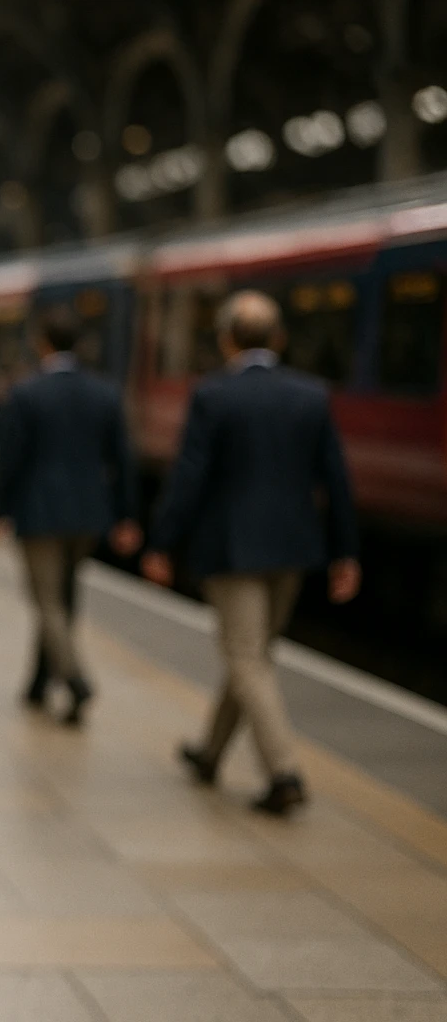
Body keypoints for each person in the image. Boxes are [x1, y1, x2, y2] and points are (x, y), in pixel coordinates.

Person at [143, 290, 360, 816]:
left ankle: (283, 772)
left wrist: (162, 541)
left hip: (232, 548)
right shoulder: (311, 395)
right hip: (294, 548)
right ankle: (209, 754)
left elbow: (189, 478)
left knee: (246, 658)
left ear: (226, 340)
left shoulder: (214, 396)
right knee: (253, 657)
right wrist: (345, 553)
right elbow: (336, 478)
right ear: (279, 339)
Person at [0, 309, 139, 725]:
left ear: (43, 343)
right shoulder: (105, 393)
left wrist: (2, 510)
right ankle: (39, 682)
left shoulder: (25, 393)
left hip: (39, 514)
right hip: (88, 515)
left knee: (47, 602)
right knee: (66, 599)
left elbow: (12, 461)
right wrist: (126, 515)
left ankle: (75, 681)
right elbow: (122, 460)